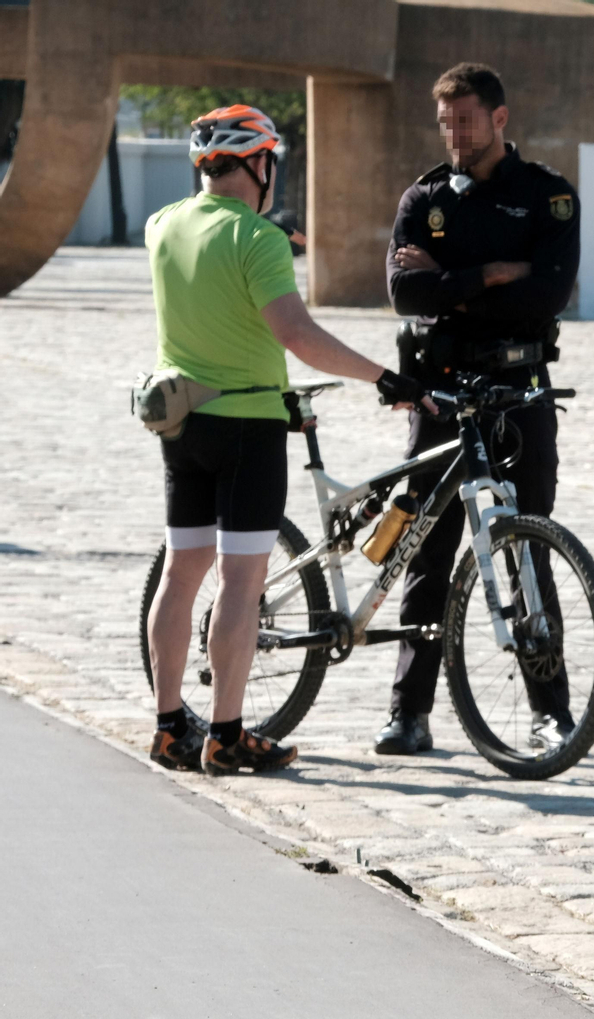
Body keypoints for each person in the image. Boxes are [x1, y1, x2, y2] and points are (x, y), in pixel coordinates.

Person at [144, 105, 427, 776]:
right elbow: (295, 335)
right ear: (257, 164)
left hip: (182, 423)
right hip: (246, 430)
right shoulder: (259, 240)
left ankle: (165, 724)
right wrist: (383, 376)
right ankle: (227, 734)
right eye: (271, 160)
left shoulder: (162, 226)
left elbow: (219, 325)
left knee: (183, 573)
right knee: (242, 579)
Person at [378, 62, 580, 755]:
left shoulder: (548, 196)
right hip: (440, 392)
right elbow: (405, 292)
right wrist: (491, 275)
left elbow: (546, 296)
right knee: (425, 551)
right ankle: (409, 711)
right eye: (445, 122)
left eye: (466, 120)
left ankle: (549, 710)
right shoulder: (425, 197)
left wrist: (451, 287)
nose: (455, 134)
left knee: (528, 546)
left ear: (499, 118)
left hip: (518, 393)